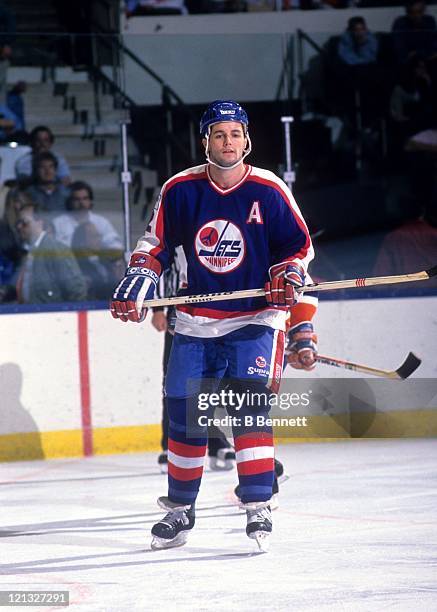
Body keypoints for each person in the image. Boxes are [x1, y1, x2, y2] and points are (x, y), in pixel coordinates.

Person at [110, 100, 318, 551]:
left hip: (255, 318)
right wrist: (142, 272)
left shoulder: (269, 188)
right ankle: (180, 510)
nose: (228, 142)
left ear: (247, 140)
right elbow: (156, 242)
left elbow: (298, 247)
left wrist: (289, 273)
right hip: (196, 323)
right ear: (205, 141)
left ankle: (258, 505)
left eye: (235, 134)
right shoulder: (180, 188)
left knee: (248, 412)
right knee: (184, 419)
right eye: (219, 135)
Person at [11, 202, 87, 304]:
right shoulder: (28, 252)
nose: (19, 227)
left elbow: (76, 290)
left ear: (40, 222)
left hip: (52, 315)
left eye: (24, 223)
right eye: (18, 223)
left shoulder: (55, 249)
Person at [51, 181, 123, 251]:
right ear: (70, 201)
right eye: (77, 199)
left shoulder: (101, 222)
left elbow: (115, 245)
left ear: (90, 201)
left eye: (85, 198)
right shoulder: (58, 223)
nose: (81, 203)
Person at [391, 1, 437, 66]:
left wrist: (418, 53)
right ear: (408, 11)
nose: (417, 16)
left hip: (428, 60)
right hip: (408, 64)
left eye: (420, 12)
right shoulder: (400, 23)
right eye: (412, 13)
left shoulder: (429, 21)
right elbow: (401, 53)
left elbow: (433, 46)